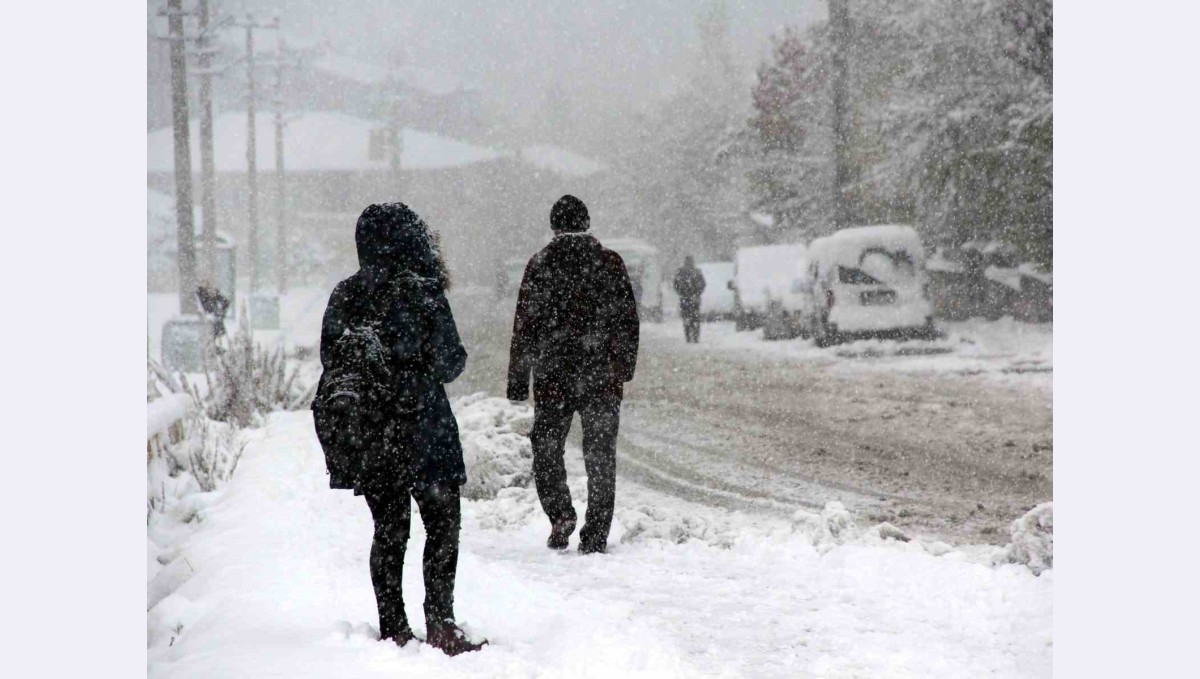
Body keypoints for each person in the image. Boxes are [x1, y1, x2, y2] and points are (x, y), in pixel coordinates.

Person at [312, 202, 486, 656]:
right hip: (425, 431)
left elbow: (331, 360)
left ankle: (393, 626)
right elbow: (451, 362)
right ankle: (442, 623)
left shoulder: (345, 295)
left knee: (389, 530)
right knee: (442, 526)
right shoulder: (423, 292)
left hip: (370, 436)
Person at [507, 195, 640, 555]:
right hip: (601, 377)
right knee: (600, 455)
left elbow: (525, 326)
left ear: (554, 226)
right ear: (586, 223)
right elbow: (627, 320)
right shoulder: (610, 263)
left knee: (547, 449)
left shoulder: (540, 264)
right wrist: (622, 367)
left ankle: (560, 514)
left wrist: (519, 381)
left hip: (554, 377)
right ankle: (596, 533)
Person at [672, 256, 707, 343]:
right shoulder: (697, 272)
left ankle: (688, 335)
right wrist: (697, 293)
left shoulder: (680, 272)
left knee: (686, 317)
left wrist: (681, 293)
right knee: (695, 317)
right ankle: (695, 336)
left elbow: (675, 284)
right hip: (695, 298)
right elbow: (703, 284)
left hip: (684, 298)